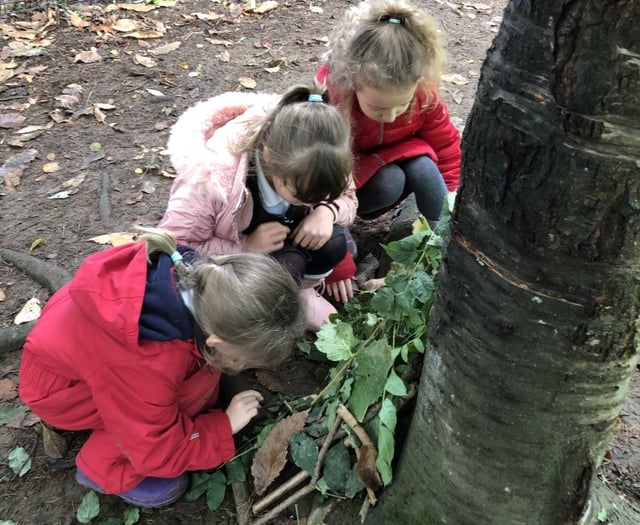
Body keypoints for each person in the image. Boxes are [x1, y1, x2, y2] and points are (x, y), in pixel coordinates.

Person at [18, 228, 306, 508]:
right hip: (61, 393)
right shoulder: (147, 363)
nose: (241, 367)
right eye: (243, 359)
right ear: (216, 340)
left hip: (84, 362)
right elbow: (154, 447)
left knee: (195, 384)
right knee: (186, 408)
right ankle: (101, 470)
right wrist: (223, 425)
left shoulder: (195, 274)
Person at [157, 81, 358, 324]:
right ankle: (258, 316)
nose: (311, 203)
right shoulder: (211, 180)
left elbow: (346, 197)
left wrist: (327, 210)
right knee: (286, 266)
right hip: (233, 266)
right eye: (303, 195)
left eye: (320, 197)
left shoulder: (324, 155)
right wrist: (245, 247)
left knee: (333, 242)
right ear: (269, 156)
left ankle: (301, 291)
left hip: (282, 245)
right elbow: (172, 246)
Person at [317, 0, 461, 227]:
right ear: (352, 83)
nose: (392, 117)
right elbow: (316, 169)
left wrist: (451, 196)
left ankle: (443, 230)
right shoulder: (331, 100)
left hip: (401, 162)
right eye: (378, 108)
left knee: (423, 166)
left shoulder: (424, 96)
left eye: (402, 105)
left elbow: (446, 149)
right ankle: (344, 224)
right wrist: (329, 217)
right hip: (352, 187)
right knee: (391, 180)